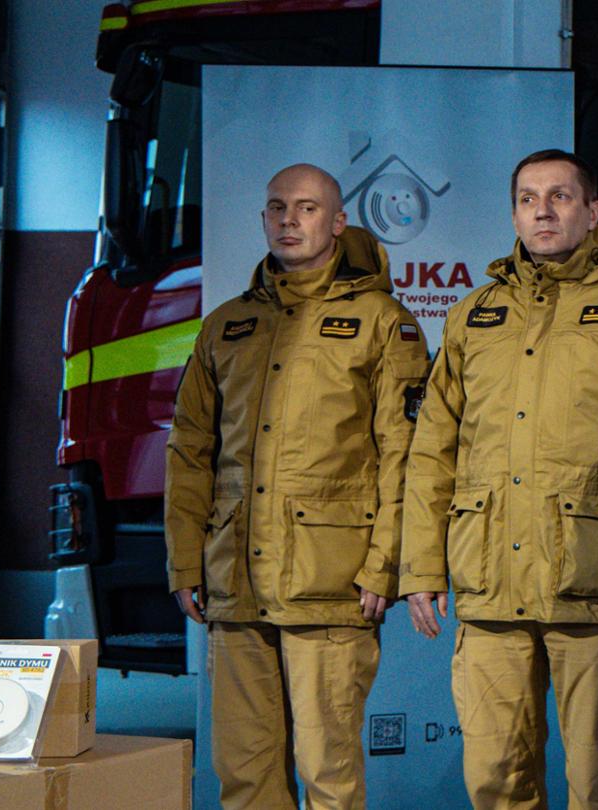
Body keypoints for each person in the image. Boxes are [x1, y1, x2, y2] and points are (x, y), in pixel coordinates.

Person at [398, 149, 598, 809]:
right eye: (528, 199)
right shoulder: (472, 315)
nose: (543, 211)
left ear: (592, 211)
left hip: (595, 585)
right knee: (495, 778)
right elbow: (433, 449)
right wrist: (421, 566)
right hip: (490, 581)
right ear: (514, 215)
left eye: (560, 196)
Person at [165, 164, 428, 809]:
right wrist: (184, 561)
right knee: (244, 775)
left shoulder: (382, 321)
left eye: (307, 208)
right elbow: (190, 451)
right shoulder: (226, 324)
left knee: (327, 777)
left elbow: (406, 456)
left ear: (337, 222)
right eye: (277, 207)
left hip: (329, 583)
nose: (289, 219)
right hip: (234, 585)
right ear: (263, 218)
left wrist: (384, 564)